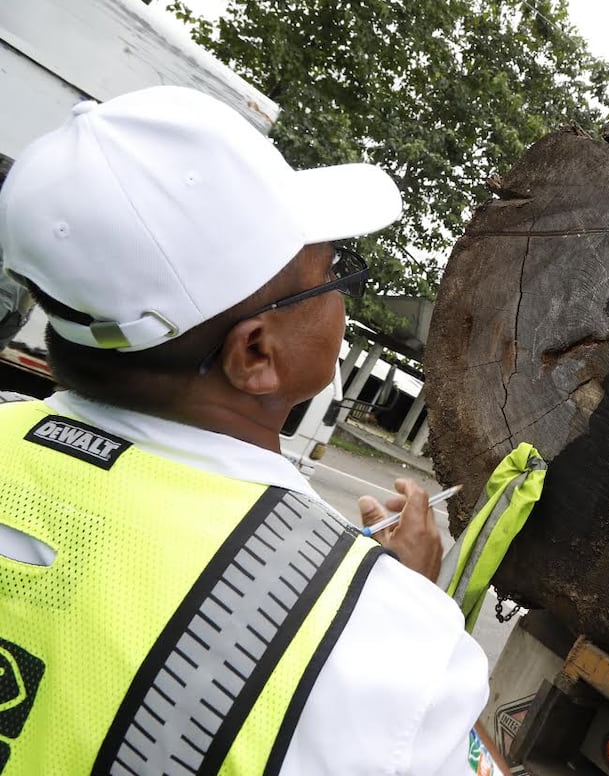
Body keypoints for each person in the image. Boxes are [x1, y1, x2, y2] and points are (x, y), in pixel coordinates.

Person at [0, 86, 487, 774]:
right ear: (255, 353)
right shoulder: (385, 648)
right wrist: (387, 606)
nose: (343, 297)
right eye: (334, 271)